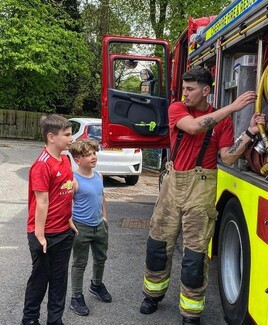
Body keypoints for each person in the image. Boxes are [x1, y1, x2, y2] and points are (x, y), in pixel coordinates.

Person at [139, 66, 264, 324]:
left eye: (190, 89)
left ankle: (191, 311)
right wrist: (232, 107)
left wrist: (251, 133)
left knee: (195, 256)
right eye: (184, 88)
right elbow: (195, 127)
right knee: (158, 246)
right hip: (173, 185)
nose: (184, 93)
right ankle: (153, 295)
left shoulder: (223, 122)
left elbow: (227, 156)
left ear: (206, 91)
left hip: (202, 187)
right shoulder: (177, 110)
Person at [21, 114, 77, 325]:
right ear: (52, 137)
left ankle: (55, 320)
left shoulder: (66, 159)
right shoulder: (42, 165)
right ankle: (29, 319)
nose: (72, 138)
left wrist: (69, 218)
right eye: (68, 134)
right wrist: (39, 235)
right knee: (40, 279)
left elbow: (65, 191)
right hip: (43, 234)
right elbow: (42, 202)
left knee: (59, 280)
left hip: (64, 232)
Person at [68, 139, 112, 317]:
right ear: (77, 160)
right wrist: (70, 221)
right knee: (79, 263)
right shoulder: (73, 180)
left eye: (94, 153)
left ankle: (96, 284)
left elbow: (101, 197)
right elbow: (66, 203)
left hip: (99, 226)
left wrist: (105, 218)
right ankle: (76, 297)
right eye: (88, 155)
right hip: (81, 228)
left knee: (101, 258)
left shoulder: (99, 176)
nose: (93, 157)